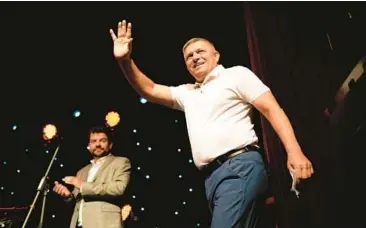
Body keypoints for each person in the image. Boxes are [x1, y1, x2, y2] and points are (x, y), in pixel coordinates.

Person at [109, 20, 314, 228]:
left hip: (239, 167)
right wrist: (125, 60)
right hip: (212, 179)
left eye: (200, 52)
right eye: (189, 56)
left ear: (216, 56)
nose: (195, 57)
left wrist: (294, 151)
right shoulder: (187, 93)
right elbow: (150, 89)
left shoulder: (235, 75)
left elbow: (272, 109)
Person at [53, 126, 131, 228]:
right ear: (89, 146)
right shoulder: (82, 171)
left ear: (110, 145)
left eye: (102, 141)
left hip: (104, 224)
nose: (98, 144)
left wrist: (82, 185)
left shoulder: (120, 162)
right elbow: (78, 202)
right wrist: (68, 196)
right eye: (93, 141)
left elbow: (118, 188)